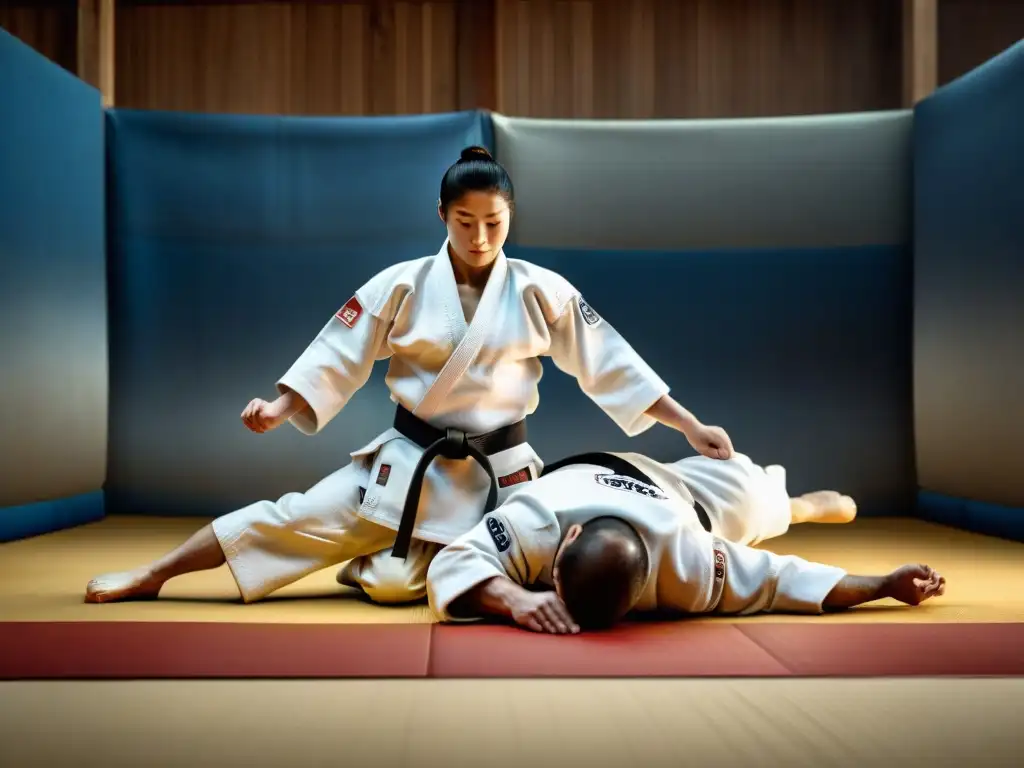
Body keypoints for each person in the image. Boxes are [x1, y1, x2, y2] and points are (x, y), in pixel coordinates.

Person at [84, 146, 735, 606]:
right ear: (441, 215)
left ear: (511, 215)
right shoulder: (401, 284)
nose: (480, 237)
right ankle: (156, 572)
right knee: (291, 518)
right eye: (464, 222)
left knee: (439, 582)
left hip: (502, 477)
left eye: (494, 223)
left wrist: (690, 424)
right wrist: (283, 406)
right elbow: (339, 348)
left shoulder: (543, 290)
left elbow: (610, 362)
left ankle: (380, 569)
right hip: (408, 461)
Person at [425, 450, 946, 633]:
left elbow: (780, 576)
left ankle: (796, 507)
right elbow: (453, 563)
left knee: (755, 503)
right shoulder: (536, 519)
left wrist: (883, 583)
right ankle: (791, 507)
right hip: (577, 473)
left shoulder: (689, 563)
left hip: (683, 494)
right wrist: (514, 598)